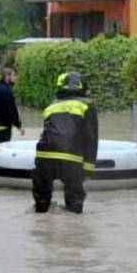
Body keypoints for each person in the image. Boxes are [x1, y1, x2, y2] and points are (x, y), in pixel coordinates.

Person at [33, 72, 98, 214]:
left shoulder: (51, 106)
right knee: (74, 202)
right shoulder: (87, 106)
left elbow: (47, 132)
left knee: (41, 201)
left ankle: (40, 227)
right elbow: (91, 138)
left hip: (44, 155)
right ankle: (74, 232)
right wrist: (88, 168)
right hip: (70, 157)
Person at [0, 68, 24, 144]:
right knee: (4, 149)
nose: (15, 78)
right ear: (7, 77)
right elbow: (12, 110)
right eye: (13, 75)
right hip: (4, 127)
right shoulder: (7, 91)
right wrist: (19, 126)